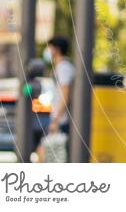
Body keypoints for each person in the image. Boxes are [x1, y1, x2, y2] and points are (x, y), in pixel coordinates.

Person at [38, 35, 74, 163]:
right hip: (59, 119)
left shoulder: (63, 68)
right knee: (45, 153)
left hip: (62, 120)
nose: (47, 51)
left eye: (50, 48)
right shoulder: (61, 67)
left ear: (56, 49)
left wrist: (56, 119)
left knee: (44, 153)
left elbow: (65, 94)